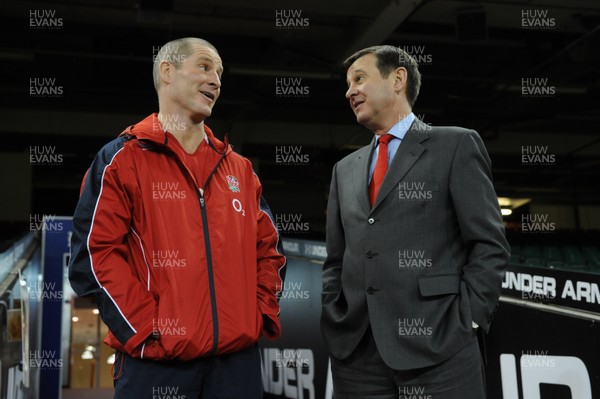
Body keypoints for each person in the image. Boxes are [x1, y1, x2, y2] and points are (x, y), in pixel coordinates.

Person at [68, 37, 286, 399]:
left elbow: (270, 250)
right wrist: (146, 328)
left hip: (237, 366)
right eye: (204, 66)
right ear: (166, 71)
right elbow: (94, 255)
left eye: (219, 72)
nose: (216, 79)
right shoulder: (122, 159)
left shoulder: (240, 169)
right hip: (156, 365)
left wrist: (259, 313)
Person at [321, 45, 510, 399]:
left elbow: (489, 245)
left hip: (439, 348)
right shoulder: (343, 170)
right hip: (357, 355)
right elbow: (335, 259)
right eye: (347, 84)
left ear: (398, 78)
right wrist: (335, 313)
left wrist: (466, 321)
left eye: (359, 78)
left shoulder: (456, 145)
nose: (349, 91)